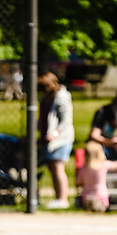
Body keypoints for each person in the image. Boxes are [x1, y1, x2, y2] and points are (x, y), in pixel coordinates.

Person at [38, 71, 75, 209]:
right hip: (48, 140)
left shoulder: (62, 97)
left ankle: (63, 198)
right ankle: (57, 197)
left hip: (61, 139)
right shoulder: (46, 99)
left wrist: (54, 133)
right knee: (52, 168)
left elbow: (66, 120)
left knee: (58, 168)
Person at [76, 140, 117, 212]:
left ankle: (92, 205)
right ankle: (98, 206)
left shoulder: (84, 169)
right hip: (101, 195)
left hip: (86, 197)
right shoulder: (104, 165)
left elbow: (78, 182)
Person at [89, 90, 117, 161]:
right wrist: (110, 142)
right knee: (94, 147)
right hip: (103, 147)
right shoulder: (103, 111)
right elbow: (94, 135)